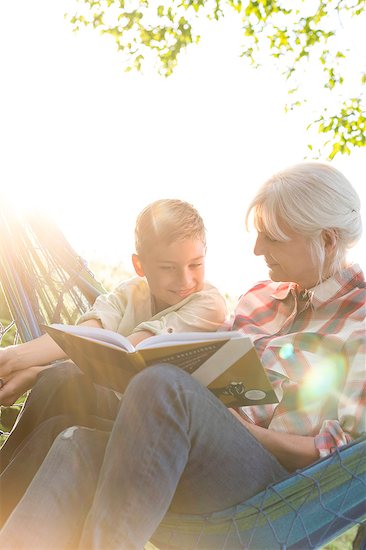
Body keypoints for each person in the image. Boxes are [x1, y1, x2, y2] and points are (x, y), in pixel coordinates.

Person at [0, 162, 364, 549]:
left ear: (327, 240)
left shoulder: (359, 322)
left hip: (272, 491)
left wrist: (249, 432)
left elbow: (346, 456)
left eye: (272, 237)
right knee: (75, 433)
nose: (257, 249)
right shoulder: (260, 297)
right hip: (189, 449)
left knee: (163, 386)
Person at [0, 199, 227, 497]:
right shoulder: (129, 292)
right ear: (139, 265)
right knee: (54, 428)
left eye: (195, 265)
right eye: (168, 268)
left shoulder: (209, 304)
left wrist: (31, 373)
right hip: (114, 413)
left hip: (162, 432)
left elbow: (125, 353)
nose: (185, 279)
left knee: (61, 380)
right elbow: (86, 335)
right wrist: (12, 359)